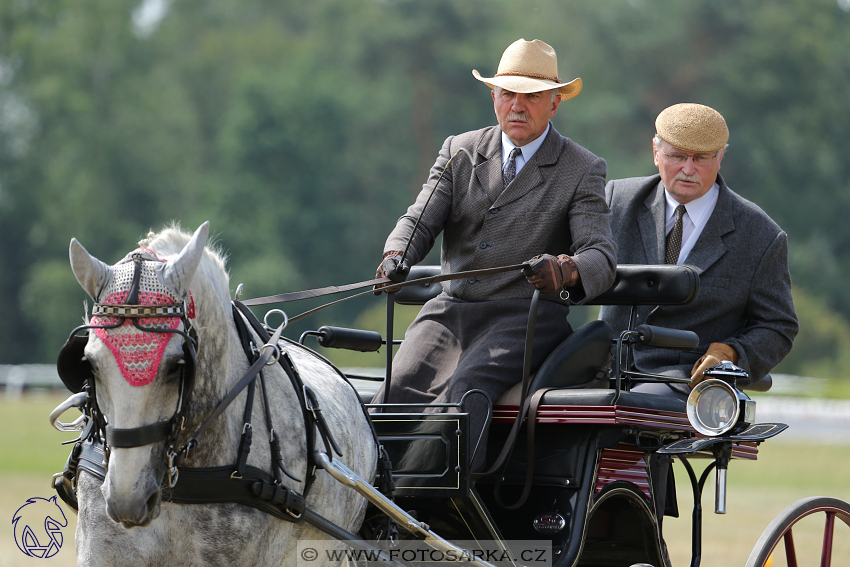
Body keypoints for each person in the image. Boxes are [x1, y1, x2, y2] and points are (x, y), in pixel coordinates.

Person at [371, 39, 617, 467]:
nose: (518, 106)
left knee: (467, 389)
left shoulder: (582, 168)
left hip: (524, 318)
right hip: (449, 311)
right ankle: (371, 498)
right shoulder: (459, 150)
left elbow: (601, 254)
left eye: (532, 96)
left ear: (554, 104)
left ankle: (443, 505)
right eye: (509, 94)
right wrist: (397, 254)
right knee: (397, 388)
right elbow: (419, 218)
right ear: (494, 97)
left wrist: (565, 269)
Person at [600, 102, 798, 398]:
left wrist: (731, 354)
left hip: (687, 384)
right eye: (677, 155)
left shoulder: (760, 236)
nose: (688, 169)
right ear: (656, 152)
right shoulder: (615, 200)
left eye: (701, 158)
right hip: (602, 368)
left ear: (720, 158)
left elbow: (777, 326)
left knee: (640, 404)